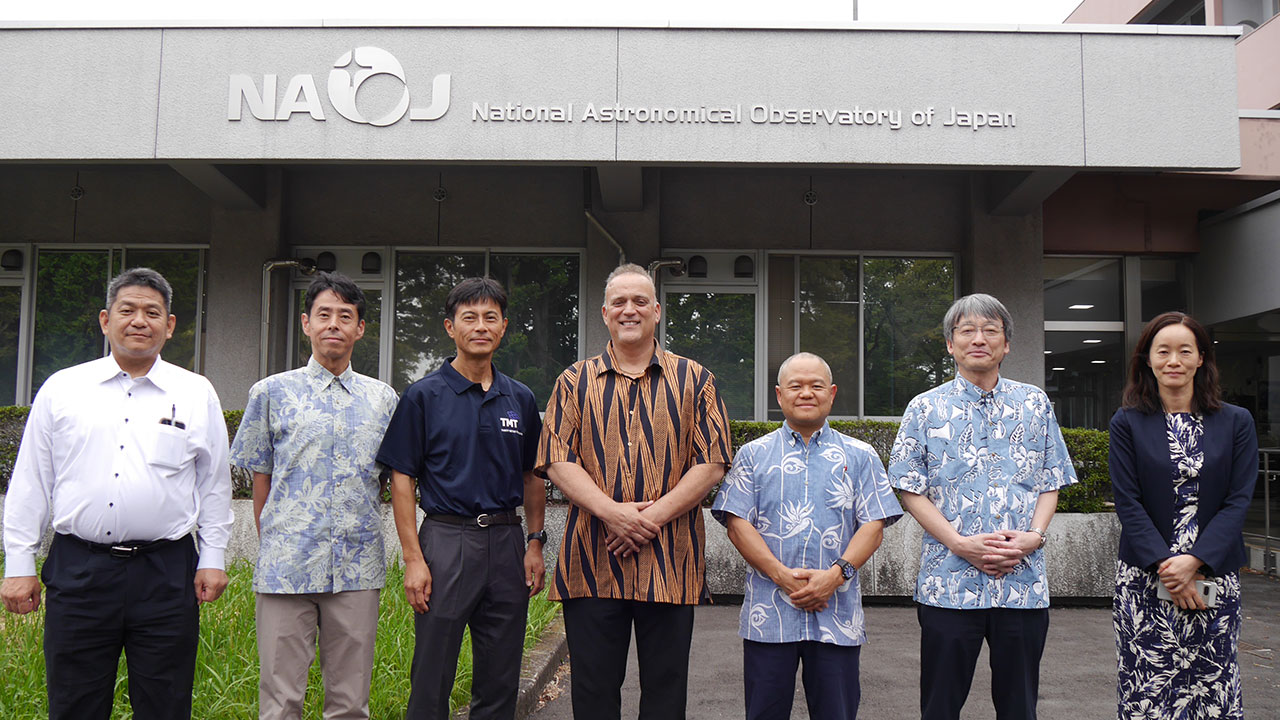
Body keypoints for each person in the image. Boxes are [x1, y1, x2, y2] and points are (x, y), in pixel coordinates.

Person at [1, 267, 234, 720]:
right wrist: (19, 564)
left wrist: (213, 557)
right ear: (106, 320)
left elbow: (214, 485)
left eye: (152, 312)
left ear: (170, 325)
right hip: (80, 569)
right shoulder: (63, 389)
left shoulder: (195, 393)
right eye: (127, 310)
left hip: (165, 572)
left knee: (165, 703)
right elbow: (32, 481)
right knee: (74, 703)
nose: (139, 321)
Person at [537, 262, 732, 720]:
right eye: (619, 302)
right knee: (593, 689)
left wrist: (649, 518)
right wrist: (614, 513)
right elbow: (555, 458)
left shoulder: (696, 379)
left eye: (640, 301)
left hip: (670, 558)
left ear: (658, 311)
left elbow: (713, 462)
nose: (630, 310)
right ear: (604, 313)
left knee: (666, 691)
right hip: (592, 559)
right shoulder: (573, 381)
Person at [887, 293, 1077, 720]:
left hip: (1021, 582)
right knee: (940, 704)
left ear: (1006, 344)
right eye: (966, 331)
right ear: (949, 344)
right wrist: (959, 543)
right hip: (948, 585)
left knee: (1019, 706)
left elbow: (1051, 480)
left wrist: (1035, 536)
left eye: (990, 330)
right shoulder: (924, 407)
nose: (979, 339)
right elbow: (909, 488)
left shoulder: (1034, 404)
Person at [229, 272, 398, 720]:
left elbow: (388, 479)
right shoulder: (270, 393)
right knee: (281, 700)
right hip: (287, 567)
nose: (334, 325)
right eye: (324, 314)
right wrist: (276, 542)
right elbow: (259, 478)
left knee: (350, 702)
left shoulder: (383, 399)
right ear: (306, 322)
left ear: (361, 328)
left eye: (346, 316)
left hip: (357, 567)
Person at [376, 277, 546, 720]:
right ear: (451, 327)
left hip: (508, 542)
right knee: (432, 673)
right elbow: (402, 482)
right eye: (469, 317)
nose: (480, 326)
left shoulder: (521, 399)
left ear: (504, 326)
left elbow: (532, 477)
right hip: (446, 541)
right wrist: (413, 559)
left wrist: (534, 542)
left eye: (491, 317)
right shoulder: (423, 396)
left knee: (501, 675)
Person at [712, 352, 902, 720]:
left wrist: (835, 576)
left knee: (838, 713)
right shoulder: (753, 455)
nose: (806, 393)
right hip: (769, 615)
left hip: (837, 613)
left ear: (831, 394)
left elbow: (874, 523)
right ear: (779, 395)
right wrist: (781, 576)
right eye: (796, 386)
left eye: (816, 386)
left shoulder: (860, 455)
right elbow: (737, 523)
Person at [1110, 312, 1257, 719]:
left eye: (1184, 351)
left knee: (1213, 687)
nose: (1173, 360)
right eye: (1163, 351)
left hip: (1213, 575)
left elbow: (1238, 500)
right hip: (1144, 579)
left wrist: (1194, 562)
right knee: (1148, 689)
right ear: (1147, 360)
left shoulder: (1236, 422)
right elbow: (1128, 501)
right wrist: (1165, 565)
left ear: (1200, 360)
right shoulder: (1127, 423)